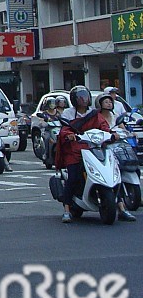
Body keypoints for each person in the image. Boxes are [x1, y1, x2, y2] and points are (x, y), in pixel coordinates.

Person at [55, 85, 135, 223]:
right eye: (80, 98)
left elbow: (104, 127)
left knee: (114, 175)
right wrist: (70, 135)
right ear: (74, 100)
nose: (83, 100)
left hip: (96, 147)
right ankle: (67, 210)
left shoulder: (94, 114)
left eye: (85, 97)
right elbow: (65, 129)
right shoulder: (68, 113)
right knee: (73, 176)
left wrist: (112, 134)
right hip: (75, 150)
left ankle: (122, 208)